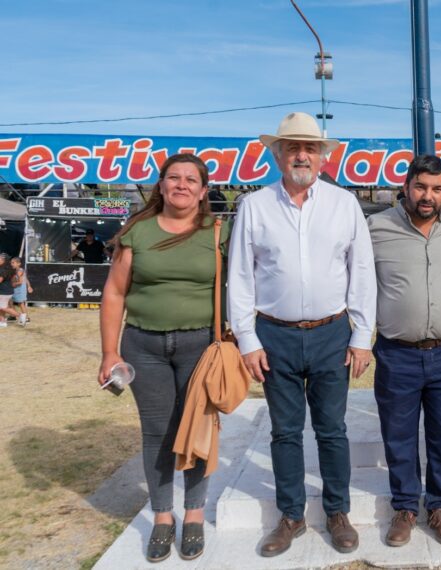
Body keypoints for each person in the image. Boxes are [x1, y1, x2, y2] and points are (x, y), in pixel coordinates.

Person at [228, 112, 376, 558]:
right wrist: (248, 340)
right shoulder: (254, 206)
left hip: (333, 334)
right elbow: (240, 277)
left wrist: (362, 336)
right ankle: (291, 515)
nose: (301, 155)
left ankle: (337, 512)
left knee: (332, 429)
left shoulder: (344, 204)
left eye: (310, 148)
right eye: (292, 147)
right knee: (285, 432)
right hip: (275, 336)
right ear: (277, 155)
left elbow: (361, 271)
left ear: (322, 157)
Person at [98, 153, 230, 563]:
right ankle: (161, 516)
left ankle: (194, 513)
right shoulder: (137, 231)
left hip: (200, 346)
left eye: (191, 179)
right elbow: (114, 292)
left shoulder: (218, 232)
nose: (182, 185)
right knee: (157, 432)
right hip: (143, 346)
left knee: (196, 430)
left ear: (204, 191)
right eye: (174, 178)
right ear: (162, 185)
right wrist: (109, 352)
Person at [368, 155, 441, 547]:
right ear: (406, 186)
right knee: (399, 435)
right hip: (397, 353)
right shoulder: (376, 228)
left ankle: (439, 506)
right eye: (421, 187)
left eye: (437, 189)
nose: (428, 196)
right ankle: (406, 507)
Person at [0, 253, 22, 328]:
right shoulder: (9, 269)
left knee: (3, 307)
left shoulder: (2, 270)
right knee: (2, 306)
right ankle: (2, 322)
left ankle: (20, 316)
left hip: (3, 291)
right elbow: (13, 279)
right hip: (8, 290)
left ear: (4, 260)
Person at [10, 257, 31, 325]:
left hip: (20, 290)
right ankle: (13, 315)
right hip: (16, 289)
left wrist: (13, 284)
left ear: (19, 263)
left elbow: (20, 282)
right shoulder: (15, 270)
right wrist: (29, 286)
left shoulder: (20, 271)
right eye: (11, 263)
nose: (11, 264)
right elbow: (26, 279)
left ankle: (27, 318)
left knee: (21, 304)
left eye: (13, 263)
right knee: (10, 301)